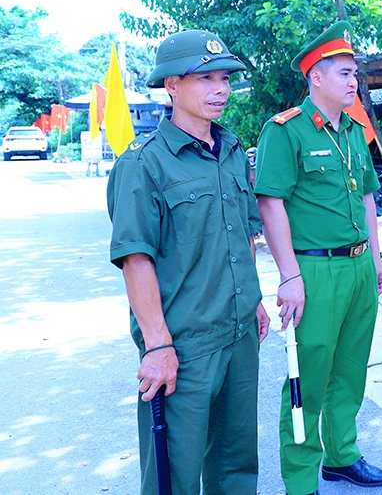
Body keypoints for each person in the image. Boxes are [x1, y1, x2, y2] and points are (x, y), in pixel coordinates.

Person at [107, 30, 269, 495]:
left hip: (239, 333)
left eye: (225, 79)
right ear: (172, 85)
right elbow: (135, 259)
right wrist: (157, 345)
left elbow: (242, 233)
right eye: (206, 79)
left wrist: (253, 299)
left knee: (236, 464)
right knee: (173, 474)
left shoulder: (231, 151)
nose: (221, 89)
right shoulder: (143, 163)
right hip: (184, 344)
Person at [253, 21, 382, 495]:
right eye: (345, 73)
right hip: (313, 270)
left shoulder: (354, 130)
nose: (354, 82)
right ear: (316, 77)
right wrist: (289, 275)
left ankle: (342, 456)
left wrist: (376, 258)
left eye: (355, 74)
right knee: (308, 377)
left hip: (358, 267)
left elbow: (368, 198)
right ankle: (300, 480)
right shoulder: (285, 130)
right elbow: (270, 204)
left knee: (350, 370)